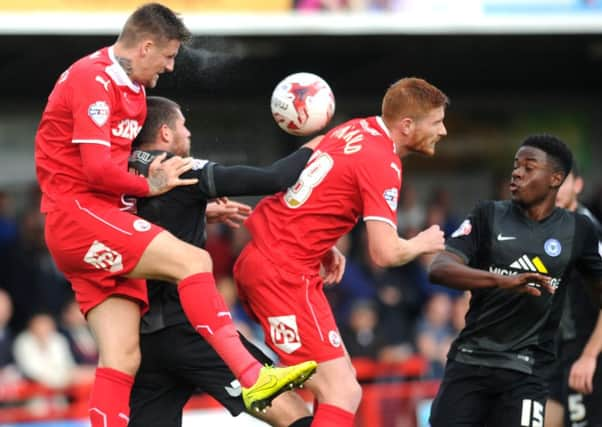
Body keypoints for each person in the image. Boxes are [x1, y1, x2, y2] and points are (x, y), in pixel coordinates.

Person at [33, 4, 315, 426]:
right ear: (145, 47)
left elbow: (124, 168)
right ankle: (253, 375)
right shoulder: (91, 77)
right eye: (167, 57)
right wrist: (153, 186)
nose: (168, 67)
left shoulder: (134, 91)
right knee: (194, 260)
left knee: (123, 357)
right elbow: (95, 170)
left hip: (103, 226)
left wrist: (192, 207)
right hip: (80, 217)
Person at [233, 77, 449, 426]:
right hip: (282, 272)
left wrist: (323, 245)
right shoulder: (384, 162)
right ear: (407, 126)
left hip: (273, 258)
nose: (444, 130)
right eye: (437, 122)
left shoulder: (356, 128)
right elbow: (384, 253)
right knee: (343, 391)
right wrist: (422, 244)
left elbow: (318, 192)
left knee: (339, 385)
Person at [127, 95, 328, 427]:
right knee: (292, 412)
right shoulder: (176, 168)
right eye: (183, 125)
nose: (188, 133)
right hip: (190, 328)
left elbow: (141, 223)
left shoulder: (121, 170)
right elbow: (274, 178)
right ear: (165, 133)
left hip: (145, 335)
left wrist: (199, 213)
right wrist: (317, 145)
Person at [427, 135, 602, 426]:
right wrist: (501, 280)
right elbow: (439, 267)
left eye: (529, 167)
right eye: (515, 165)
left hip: (528, 371)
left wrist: (589, 353)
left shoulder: (579, 229)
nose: (517, 172)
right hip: (470, 360)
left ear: (555, 179)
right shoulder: (488, 215)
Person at [545, 163, 602, 427]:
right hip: (558, 350)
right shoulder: (549, 230)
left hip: (586, 352)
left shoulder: (589, 233)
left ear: (578, 186)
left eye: (562, 181)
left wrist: (589, 356)